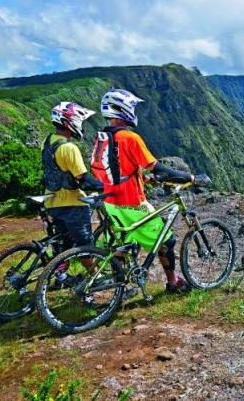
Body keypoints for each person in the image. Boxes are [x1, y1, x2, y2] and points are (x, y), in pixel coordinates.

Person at [91, 88, 210, 293]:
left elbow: (114, 169)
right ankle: (173, 283)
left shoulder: (102, 137)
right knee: (166, 240)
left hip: (110, 202)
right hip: (132, 203)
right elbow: (157, 168)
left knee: (121, 246)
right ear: (123, 109)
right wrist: (190, 178)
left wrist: (143, 179)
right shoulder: (130, 138)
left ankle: (120, 290)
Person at [42, 102, 104, 255]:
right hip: (73, 205)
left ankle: (59, 269)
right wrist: (106, 186)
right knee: (84, 247)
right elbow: (83, 178)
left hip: (52, 202)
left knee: (63, 248)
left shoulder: (46, 142)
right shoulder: (69, 148)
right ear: (70, 122)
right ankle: (92, 270)